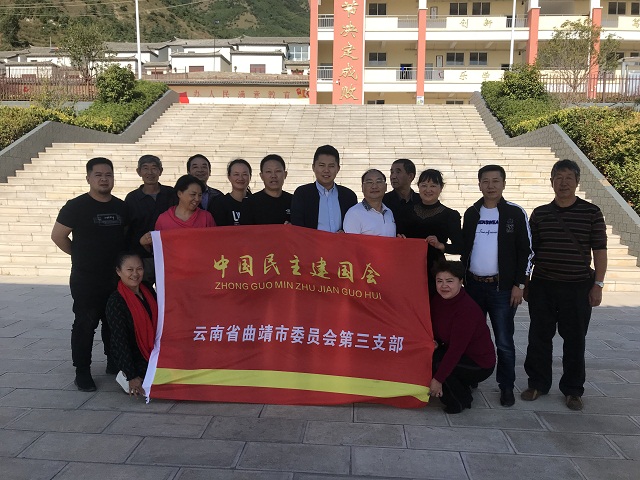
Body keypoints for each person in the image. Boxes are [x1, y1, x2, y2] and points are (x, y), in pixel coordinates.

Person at [522, 159, 607, 411]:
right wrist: (526, 282)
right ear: (551, 182)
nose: (564, 183)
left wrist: (598, 284)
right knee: (539, 337)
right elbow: (529, 252)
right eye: (558, 177)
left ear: (577, 181)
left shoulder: (592, 212)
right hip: (543, 285)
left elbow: (600, 250)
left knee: (575, 340)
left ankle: (573, 390)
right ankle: (537, 383)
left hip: (578, 286)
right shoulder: (540, 214)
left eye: (569, 177)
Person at [51, 157, 129, 392]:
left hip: (115, 277)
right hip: (86, 279)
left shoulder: (121, 207)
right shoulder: (76, 206)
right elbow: (58, 236)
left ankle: (114, 362)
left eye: (108, 175)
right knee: (85, 324)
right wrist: (79, 255)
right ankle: (82, 371)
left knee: (113, 322)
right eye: (98, 175)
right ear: (88, 178)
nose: (104, 179)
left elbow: (125, 236)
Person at [461, 164, 533, 408]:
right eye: (485, 181)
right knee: (471, 336)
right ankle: (471, 378)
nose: (490, 186)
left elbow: (527, 251)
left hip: (502, 289)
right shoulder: (472, 212)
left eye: (495, 181)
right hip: (474, 286)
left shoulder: (514, 213)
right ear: (479, 184)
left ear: (503, 184)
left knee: (504, 340)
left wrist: (519, 284)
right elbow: (465, 247)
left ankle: (506, 385)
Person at [429, 260, 496, 414]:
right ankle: (461, 385)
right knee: (430, 356)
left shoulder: (467, 310)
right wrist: (435, 342)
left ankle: (460, 401)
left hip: (479, 363)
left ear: (460, 282)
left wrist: (437, 380)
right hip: (459, 354)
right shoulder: (437, 300)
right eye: (439, 281)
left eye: (449, 281)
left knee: (439, 366)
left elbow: (455, 351)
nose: (444, 286)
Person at [395, 169, 463, 292]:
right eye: (424, 185)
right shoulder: (405, 211)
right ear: (418, 187)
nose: (428, 190)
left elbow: (459, 247)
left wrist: (440, 245)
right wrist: (399, 239)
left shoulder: (450, 215)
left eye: (433, 186)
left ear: (441, 188)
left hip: (435, 269)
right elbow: (396, 236)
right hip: (408, 267)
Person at [105, 252, 157, 398]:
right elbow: (120, 341)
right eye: (129, 270)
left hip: (153, 348)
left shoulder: (148, 290)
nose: (135, 274)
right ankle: (125, 375)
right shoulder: (116, 301)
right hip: (134, 354)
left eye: (139, 269)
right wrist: (131, 375)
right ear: (118, 271)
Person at [124, 155, 173, 283]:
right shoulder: (132, 198)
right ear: (138, 172)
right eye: (145, 168)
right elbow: (128, 229)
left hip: (169, 255)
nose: (150, 172)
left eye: (154, 168)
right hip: (142, 258)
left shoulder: (171, 194)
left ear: (160, 171)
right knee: (144, 291)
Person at [290, 144, 357, 232]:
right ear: (313, 167)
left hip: (340, 241)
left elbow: (354, 226)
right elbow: (297, 227)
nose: (326, 170)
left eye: (331, 166)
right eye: (322, 165)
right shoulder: (302, 194)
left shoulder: (349, 196)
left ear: (338, 168)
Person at [140, 175, 215, 248]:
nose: (197, 199)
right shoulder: (163, 219)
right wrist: (145, 242)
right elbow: (157, 249)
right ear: (179, 193)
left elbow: (214, 243)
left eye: (200, 195)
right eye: (193, 194)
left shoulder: (206, 217)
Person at [241, 154, 293, 225]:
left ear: (285, 174)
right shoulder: (250, 203)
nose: (273, 176)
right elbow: (245, 230)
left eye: (278, 171)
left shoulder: (294, 201)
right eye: (268, 172)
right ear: (261, 176)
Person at [343, 169, 396, 237]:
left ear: (385, 187)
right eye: (369, 182)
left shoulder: (388, 212)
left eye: (378, 182)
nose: (374, 186)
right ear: (362, 187)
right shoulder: (354, 213)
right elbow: (351, 242)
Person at [208, 159, 252, 226]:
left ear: (250, 176)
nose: (240, 178)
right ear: (229, 177)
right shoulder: (219, 204)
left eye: (244, 174)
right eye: (236, 174)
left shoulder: (256, 202)